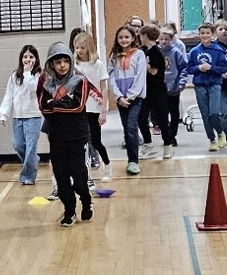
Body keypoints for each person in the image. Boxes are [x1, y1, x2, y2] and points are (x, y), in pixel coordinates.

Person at [37, 43, 98, 226]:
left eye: (65, 61)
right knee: (61, 176)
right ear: (51, 64)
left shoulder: (80, 81)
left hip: (78, 136)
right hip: (56, 137)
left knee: (79, 175)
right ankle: (69, 210)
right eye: (58, 62)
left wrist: (55, 104)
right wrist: (63, 103)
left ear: (71, 62)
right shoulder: (47, 84)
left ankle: (86, 200)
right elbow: (44, 109)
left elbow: (77, 107)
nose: (62, 65)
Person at [0, 44, 42, 185]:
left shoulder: (38, 75)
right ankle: (33, 161)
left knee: (30, 147)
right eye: (25, 56)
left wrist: (28, 72)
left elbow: (33, 89)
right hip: (18, 117)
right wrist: (4, 114)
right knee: (18, 145)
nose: (28, 59)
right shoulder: (14, 76)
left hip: (33, 116)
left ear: (36, 59)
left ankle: (28, 176)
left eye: (31, 56)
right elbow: (9, 96)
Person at [108, 24, 147, 176]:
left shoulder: (139, 55)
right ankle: (130, 159)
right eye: (120, 37)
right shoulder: (114, 57)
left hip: (134, 98)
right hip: (121, 98)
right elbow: (110, 77)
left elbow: (140, 77)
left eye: (126, 37)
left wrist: (130, 96)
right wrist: (118, 96)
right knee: (127, 128)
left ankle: (133, 161)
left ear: (132, 38)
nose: (123, 40)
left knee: (131, 127)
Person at [72, 31, 111, 182]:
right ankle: (84, 174)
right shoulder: (74, 65)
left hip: (94, 108)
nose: (79, 51)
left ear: (89, 47)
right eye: (76, 47)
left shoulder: (98, 65)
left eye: (82, 47)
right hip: (79, 108)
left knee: (95, 141)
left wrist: (103, 111)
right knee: (81, 142)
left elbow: (104, 88)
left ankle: (106, 165)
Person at [185, 23, 227, 151]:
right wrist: (198, 68)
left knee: (214, 113)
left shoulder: (218, 51)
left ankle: (221, 133)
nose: (205, 36)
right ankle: (212, 139)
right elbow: (189, 69)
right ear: (199, 35)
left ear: (212, 34)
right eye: (202, 33)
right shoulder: (194, 52)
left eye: (207, 33)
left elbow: (224, 68)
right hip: (200, 85)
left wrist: (211, 68)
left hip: (214, 84)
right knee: (205, 115)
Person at [137, 23, 173, 160]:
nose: (139, 38)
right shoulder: (142, 50)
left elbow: (153, 71)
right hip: (145, 89)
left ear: (145, 36)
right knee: (141, 118)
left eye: (140, 35)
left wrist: (143, 64)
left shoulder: (156, 52)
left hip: (157, 89)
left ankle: (167, 145)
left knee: (162, 119)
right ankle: (148, 144)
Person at [158, 24, 188, 147]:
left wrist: (181, 82)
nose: (164, 41)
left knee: (174, 114)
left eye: (166, 39)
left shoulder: (176, 52)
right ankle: (166, 135)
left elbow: (183, 68)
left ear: (171, 39)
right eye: (161, 39)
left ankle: (172, 136)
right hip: (160, 89)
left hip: (174, 88)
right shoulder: (157, 51)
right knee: (162, 114)